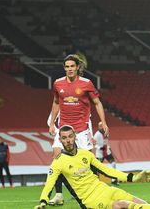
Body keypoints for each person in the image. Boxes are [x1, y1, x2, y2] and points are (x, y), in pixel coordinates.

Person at [34, 125, 150, 209]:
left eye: (70, 136)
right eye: (64, 138)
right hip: (90, 200)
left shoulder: (85, 154)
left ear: (75, 136)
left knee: (139, 202)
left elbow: (106, 170)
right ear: (60, 140)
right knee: (123, 205)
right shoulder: (58, 161)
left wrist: (134, 177)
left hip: (104, 189)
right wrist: (43, 201)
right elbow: (49, 184)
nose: (68, 140)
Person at [47, 54, 109, 205]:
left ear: (77, 67)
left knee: (89, 161)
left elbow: (97, 103)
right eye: (67, 67)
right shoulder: (58, 84)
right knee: (56, 159)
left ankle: (95, 192)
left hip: (82, 128)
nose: (69, 69)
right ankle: (59, 195)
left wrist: (103, 122)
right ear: (64, 68)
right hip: (64, 128)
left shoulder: (87, 83)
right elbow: (56, 102)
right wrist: (52, 123)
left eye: (72, 66)